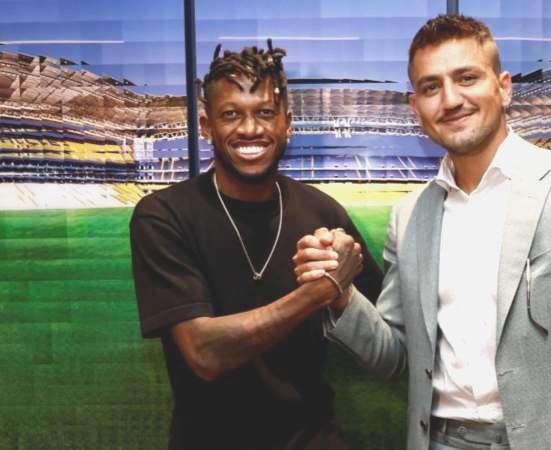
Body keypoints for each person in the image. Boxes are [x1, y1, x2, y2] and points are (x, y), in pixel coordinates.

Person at [293, 15, 551, 450]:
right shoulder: (409, 217)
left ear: (504, 87)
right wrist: (341, 294)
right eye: (431, 87)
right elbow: (395, 356)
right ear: (416, 107)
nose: (450, 99)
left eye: (466, 78)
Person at [129, 40, 382, 450]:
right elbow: (205, 353)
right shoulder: (163, 216)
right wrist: (318, 292)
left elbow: (384, 328)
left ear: (287, 123)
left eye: (265, 112)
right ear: (207, 126)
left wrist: (343, 293)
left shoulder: (322, 212)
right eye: (231, 114)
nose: (250, 129)